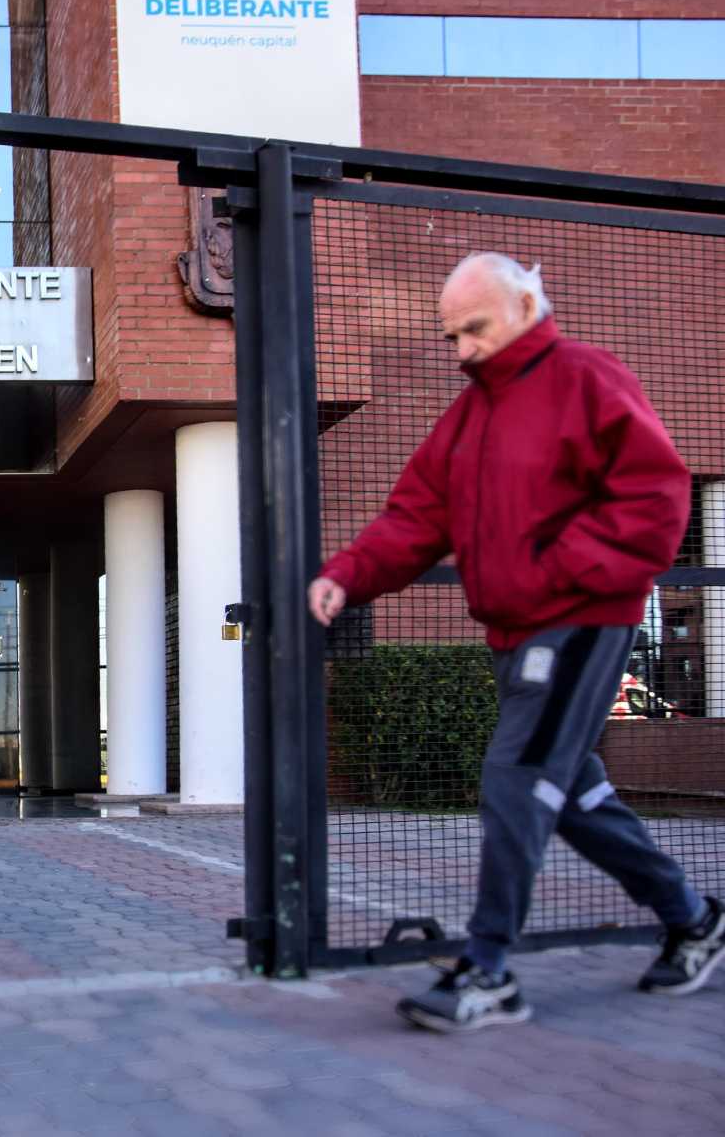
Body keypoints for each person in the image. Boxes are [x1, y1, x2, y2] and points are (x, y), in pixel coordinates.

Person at [310, 252, 723, 1034]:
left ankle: (489, 969)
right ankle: (693, 917)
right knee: (569, 791)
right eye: (452, 336)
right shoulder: (468, 416)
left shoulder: (586, 379)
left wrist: (556, 570)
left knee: (517, 773)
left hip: (582, 620)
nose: (463, 348)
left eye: (475, 328)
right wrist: (347, 575)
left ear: (526, 305)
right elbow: (413, 517)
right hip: (516, 629)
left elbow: (658, 494)